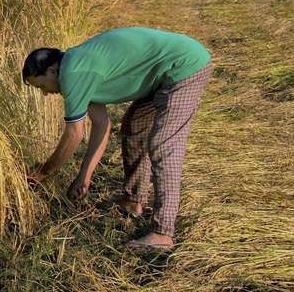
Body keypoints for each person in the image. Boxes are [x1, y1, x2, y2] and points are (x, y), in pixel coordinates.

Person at [22, 27, 212, 252]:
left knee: (163, 145)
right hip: (161, 74)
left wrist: (43, 172)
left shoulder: (73, 72)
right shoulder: (79, 67)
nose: (45, 93)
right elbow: (102, 124)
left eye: (42, 85)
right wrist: (84, 178)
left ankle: (163, 234)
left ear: (53, 71)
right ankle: (133, 201)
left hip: (184, 66)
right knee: (135, 128)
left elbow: (74, 133)